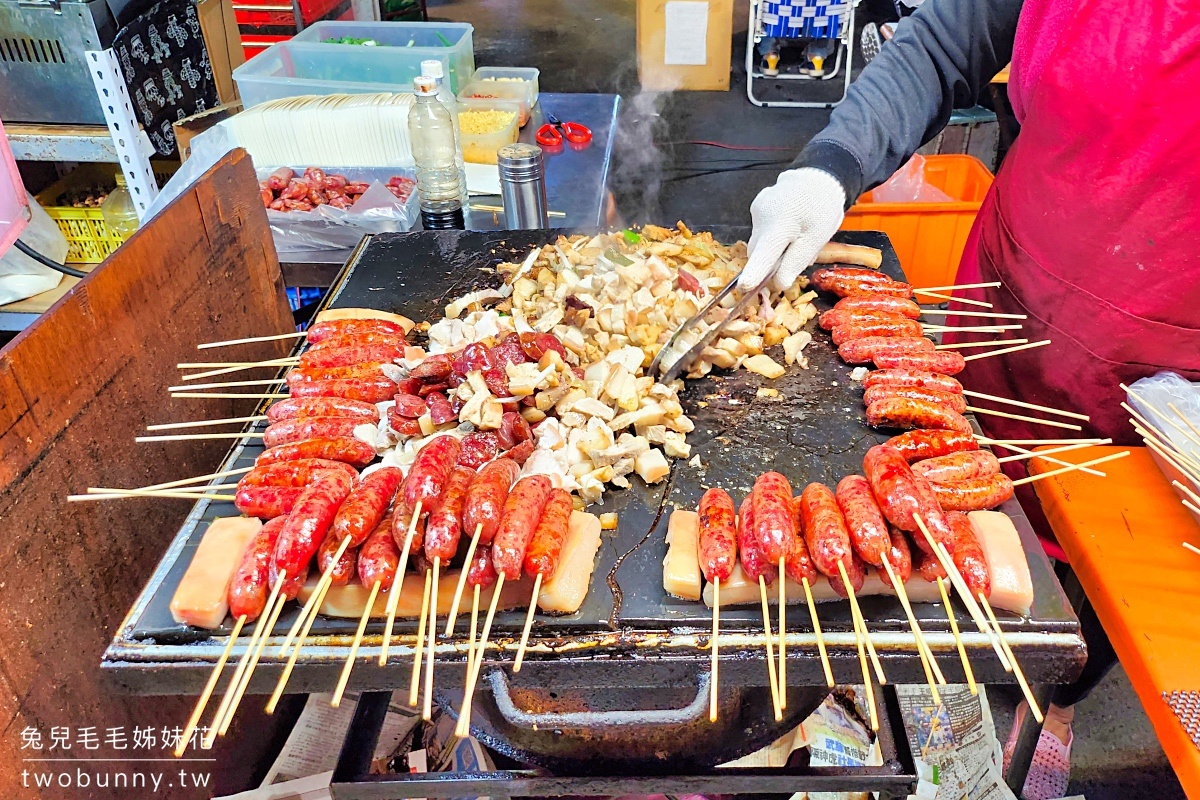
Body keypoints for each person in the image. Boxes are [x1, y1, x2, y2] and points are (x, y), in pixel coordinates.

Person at [737, 0, 1200, 797]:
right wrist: (831, 164)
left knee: (1091, 612)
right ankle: (960, 712)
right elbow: (946, 38)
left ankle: (1046, 707)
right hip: (998, 324)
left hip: (1173, 417)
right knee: (941, 565)